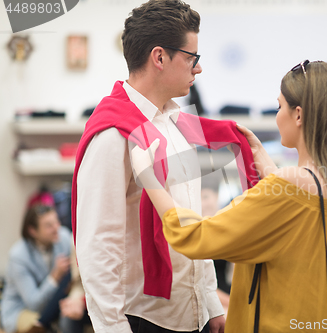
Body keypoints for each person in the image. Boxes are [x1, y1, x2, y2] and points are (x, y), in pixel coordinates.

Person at [131, 60, 327, 332]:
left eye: (280, 106)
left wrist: (149, 177)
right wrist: (269, 169)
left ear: (299, 115)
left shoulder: (288, 187)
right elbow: (297, 225)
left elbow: (195, 236)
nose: (278, 115)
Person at [72, 1, 225, 332]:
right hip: (145, 319)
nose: (198, 69)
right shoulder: (113, 133)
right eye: (191, 58)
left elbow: (194, 216)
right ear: (159, 57)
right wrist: (113, 328)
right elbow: (98, 243)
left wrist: (211, 304)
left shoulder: (178, 121)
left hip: (192, 312)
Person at [0, 205, 87, 333]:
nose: (56, 228)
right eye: (48, 226)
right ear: (33, 231)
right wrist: (54, 277)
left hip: (55, 303)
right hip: (21, 309)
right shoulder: (18, 256)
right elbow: (34, 304)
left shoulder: (63, 236)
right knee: (45, 329)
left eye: (57, 221)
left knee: (68, 317)